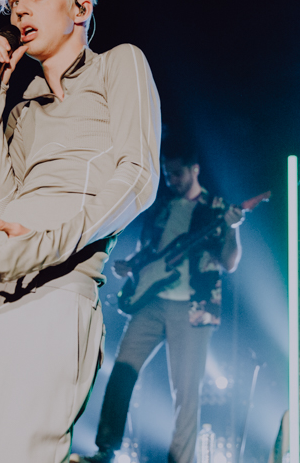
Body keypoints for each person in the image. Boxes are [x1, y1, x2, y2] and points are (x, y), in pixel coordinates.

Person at [0, 0, 161, 463]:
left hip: (55, 293)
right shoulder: (22, 111)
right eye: (14, 2)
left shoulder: (119, 65)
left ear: (79, 9)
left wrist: (37, 250)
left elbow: (138, 179)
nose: (21, 11)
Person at [84, 144, 244, 463]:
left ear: (194, 169)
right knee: (122, 371)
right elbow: (151, 253)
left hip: (193, 311)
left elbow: (229, 262)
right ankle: (105, 450)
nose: (171, 179)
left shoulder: (217, 208)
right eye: (167, 173)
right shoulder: (162, 207)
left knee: (186, 394)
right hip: (151, 304)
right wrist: (132, 266)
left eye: (177, 173)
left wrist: (232, 229)